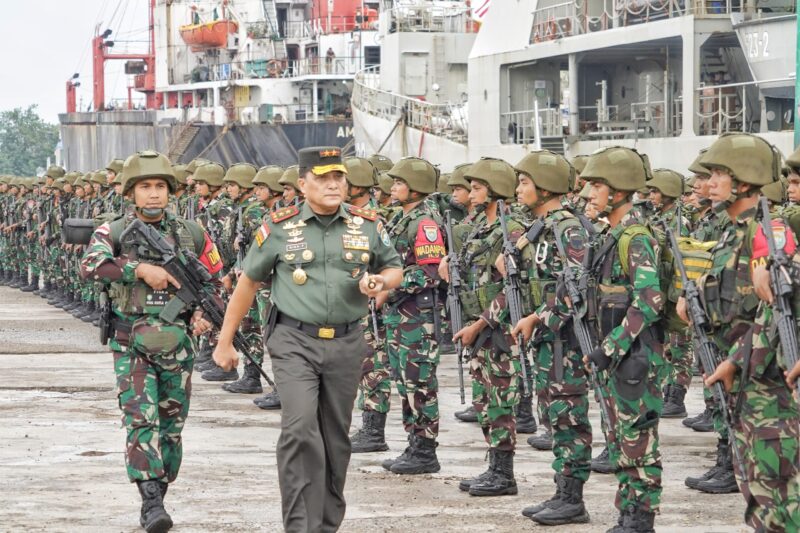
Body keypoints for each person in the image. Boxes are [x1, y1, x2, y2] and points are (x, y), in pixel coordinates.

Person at [213, 146, 402, 532]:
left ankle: (326, 523)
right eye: (323, 178)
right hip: (293, 340)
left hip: (348, 342)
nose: (333, 185)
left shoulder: (366, 224)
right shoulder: (279, 227)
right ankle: (300, 526)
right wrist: (224, 341)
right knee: (299, 428)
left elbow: (394, 266)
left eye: (339, 178)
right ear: (303, 184)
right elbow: (247, 283)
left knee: (335, 439)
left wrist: (381, 281)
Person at [80, 150, 222, 533]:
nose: (154, 194)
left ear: (170, 191)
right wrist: (139, 269)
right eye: (145, 187)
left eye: (160, 186)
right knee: (140, 422)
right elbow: (90, 265)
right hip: (131, 344)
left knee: (172, 428)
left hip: (177, 345)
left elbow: (215, 280)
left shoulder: (191, 233)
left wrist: (205, 314)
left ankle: (160, 487)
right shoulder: (112, 231)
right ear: (131, 192)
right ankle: (151, 502)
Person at [685, 133, 800, 530]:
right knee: (754, 485)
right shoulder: (733, 232)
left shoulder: (768, 231)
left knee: (778, 489)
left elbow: (778, 309)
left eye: (719, 173)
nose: (709, 181)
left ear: (745, 180)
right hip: (745, 380)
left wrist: (736, 362)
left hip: (771, 384)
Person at [581, 146, 665, 532]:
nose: (588, 193)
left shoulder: (635, 237)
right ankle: (628, 512)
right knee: (618, 438)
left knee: (638, 442)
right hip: (616, 359)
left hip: (634, 359)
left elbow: (649, 300)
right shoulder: (610, 236)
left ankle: (641, 518)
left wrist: (610, 349)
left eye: (597, 185)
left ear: (617, 191)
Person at [509, 150, 593, 525]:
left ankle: (572, 498)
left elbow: (578, 288)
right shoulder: (541, 226)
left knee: (568, 416)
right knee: (553, 413)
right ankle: (563, 490)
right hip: (547, 338)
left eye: (525, 182)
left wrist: (539, 318)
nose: (519, 189)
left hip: (565, 340)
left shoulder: (567, 227)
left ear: (545, 187)